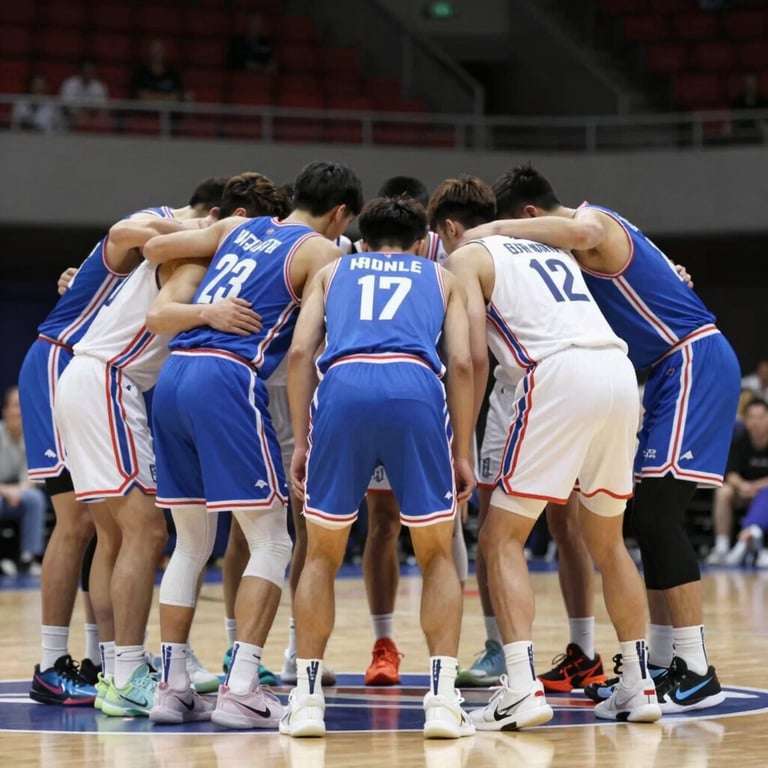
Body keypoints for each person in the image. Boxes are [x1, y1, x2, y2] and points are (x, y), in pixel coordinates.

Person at [464, 163, 741, 713]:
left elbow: (587, 234)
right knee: (640, 522)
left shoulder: (594, 221)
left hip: (689, 358)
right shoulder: (574, 254)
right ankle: (661, 664)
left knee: (659, 517)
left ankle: (697, 668)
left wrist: (496, 232)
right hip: (656, 371)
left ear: (529, 216)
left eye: (517, 226)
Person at [430, 175, 659, 729]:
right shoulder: (548, 243)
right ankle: (639, 684)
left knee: (499, 536)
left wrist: (462, 435)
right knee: (607, 540)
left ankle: (521, 685)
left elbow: (473, 359)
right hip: (618, 371)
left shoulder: (467, 255)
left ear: (451, 227)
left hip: (555, 373)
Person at [141, 161, 362, 729]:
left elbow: (151, 247)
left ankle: (173, 688)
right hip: (227, 378)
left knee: (190, 545)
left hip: (173, 377)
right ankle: (242, 689)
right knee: (271, 540)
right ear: (338, 213)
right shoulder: (321, 253)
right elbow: (317, 343)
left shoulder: (239, 228)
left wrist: (199, 308)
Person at [280, 196, 476, 739]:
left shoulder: (331, 270)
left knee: (320, 551)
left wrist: (301, 439)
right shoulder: (441, 277)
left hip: (342, 386)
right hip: (415, 385)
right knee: (436, 551)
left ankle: (307, 699)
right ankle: (441, 699)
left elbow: (299, 355)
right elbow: (461, 362)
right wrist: (460, 449)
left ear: (363, 241)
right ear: (419, 242)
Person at [51, 181, 236, 717]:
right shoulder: (184, 251)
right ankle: (129, 670)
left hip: (88, 379)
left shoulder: (168, 252)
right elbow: (160, 313)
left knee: (113, 537)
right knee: (146, 531)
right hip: (108, 381)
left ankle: (115, 670)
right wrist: (211, 311)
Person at [707, 397, 768, 565]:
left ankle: (756, 545)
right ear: (745, 420)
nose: (756, 422)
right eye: (752, 417)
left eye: (761, 417)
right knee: (723, 492)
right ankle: (722, 547)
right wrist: (743, 486)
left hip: (764, 493)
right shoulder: (739, 440)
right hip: (744, 491)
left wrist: (756, 487)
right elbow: (730, 473)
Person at [0, 386, 48, 577]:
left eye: (22, 406)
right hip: (2, 494)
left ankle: (28, 558)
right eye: (15, 405)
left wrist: (17, 491)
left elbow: (34, 478)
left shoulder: (33, 437)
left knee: (35, 498)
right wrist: (6, 491)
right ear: (5, 411)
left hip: (19, 495)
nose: (19, 411)